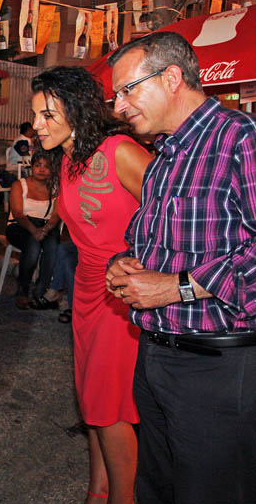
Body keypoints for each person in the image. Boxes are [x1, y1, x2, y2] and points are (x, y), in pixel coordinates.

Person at [105, 32, 256, 503]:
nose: (118, 106)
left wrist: (177, 288)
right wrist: (122, 265)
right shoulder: (165, 155)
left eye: (128, 89)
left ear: (172, 78)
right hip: (155, 356)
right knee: (157, 489)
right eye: (115, 94)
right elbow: (148, 240)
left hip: (216, 366)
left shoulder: (240, 139)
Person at [32, 66, 152, 504]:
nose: (37, 125)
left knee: (109, 405)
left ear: (77, 110)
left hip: (119, 293)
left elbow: (171, 210)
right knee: (93, 404)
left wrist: (142, 266)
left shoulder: (119, 149)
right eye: (36, 115)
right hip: (84, 288)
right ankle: (97, 492)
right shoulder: (67, 159)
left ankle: (124, 498)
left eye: (48, 114)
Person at [4, 151, 60, 310]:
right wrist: (34, 231)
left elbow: (56, 215)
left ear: (52, 169)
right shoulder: (19, 185)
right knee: (33, 246)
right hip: (20, 225)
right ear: (32, 167)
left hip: (46, 226)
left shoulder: (55, 188)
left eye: (46, 166)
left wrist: (46, 229)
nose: (42, 169)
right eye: (38, 165)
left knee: (53, 247)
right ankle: (23, 289)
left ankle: (41, 290)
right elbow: (17, 213)